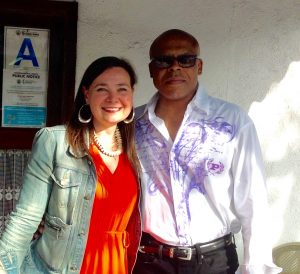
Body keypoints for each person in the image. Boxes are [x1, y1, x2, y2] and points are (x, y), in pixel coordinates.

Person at [133, 29, 282, 274]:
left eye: (186, 59)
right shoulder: (132, 125)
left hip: (215, 262)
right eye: (164, 60)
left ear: (199, 66)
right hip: (150, 261)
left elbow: (253, 201)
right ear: (151, 70)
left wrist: (256, 268)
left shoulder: (232, 120)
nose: (175, 67)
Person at [0, 56, 141, 274]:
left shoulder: (138, 150)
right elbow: (26, 216)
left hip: (117, 265)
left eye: (122, 89)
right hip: (66, 267)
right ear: (87, 94)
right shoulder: (55, 142)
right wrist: (4, 267)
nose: (113, 98)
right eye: (102, 89)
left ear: (131, 94)